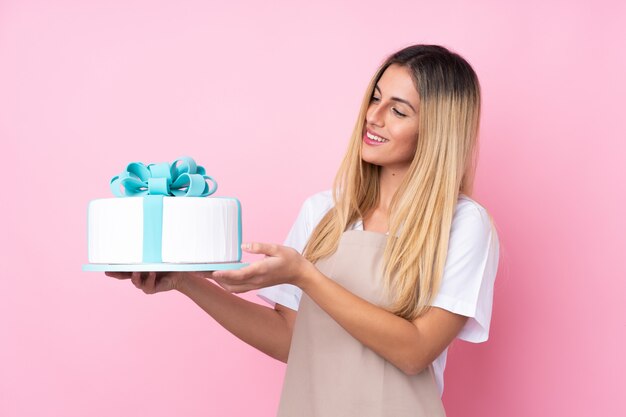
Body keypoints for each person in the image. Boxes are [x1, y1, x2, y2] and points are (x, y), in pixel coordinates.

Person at [106, 44, 500, 416]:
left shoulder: (463, 225)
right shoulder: (324, 211)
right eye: (375, 98)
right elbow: (291, 339)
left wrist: (305, 276)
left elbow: (415, 351)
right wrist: (185, 281)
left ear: (437, 130)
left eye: (398, 111)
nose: (373, 117)